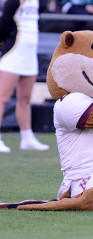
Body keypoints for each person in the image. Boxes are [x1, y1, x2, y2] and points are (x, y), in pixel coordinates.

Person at [0, 0, 49, 152]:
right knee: (3, 98)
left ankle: (27, 138)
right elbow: (3, 24)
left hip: (30, 54)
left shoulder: (38, 2)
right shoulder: (13, 1)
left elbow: (38, 22)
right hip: (13, 52)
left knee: (25, 98)